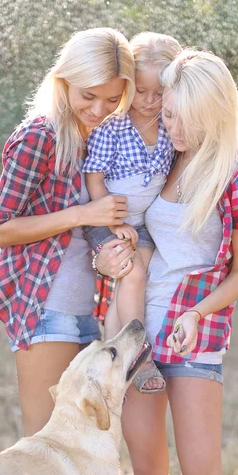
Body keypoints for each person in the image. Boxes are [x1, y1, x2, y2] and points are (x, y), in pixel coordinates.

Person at [96, 49, 238, 475]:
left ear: (204, 113)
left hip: (194, 337)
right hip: (137, 338)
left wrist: (197, 312)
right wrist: (108, 262)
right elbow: (139, 239)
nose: (162, 121)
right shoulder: (167, 157)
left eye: (173, 115)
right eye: (165, 112)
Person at [0, 27, 136, 475]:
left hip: (85, 313)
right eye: (88, 95)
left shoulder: (96, 139)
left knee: (68, 456)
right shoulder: (38, 136)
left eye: (111, 98)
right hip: (43, 308)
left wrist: (113, 244)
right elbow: (0, 229)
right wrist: (84, 216)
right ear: (63, 82)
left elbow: (90, 233)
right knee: (41, 453)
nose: (99, 107)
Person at [83, 32, 182, 393]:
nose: (150, 101)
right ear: (128, 84)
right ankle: (138, 356)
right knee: (133, 273)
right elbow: (93, 177)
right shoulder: (113, 125)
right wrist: (113, 221)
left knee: (129, 284)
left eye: (160, 94)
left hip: (142, 223)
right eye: (142, 91)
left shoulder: (170, 126)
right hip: (107, 218)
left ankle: (106, 364)